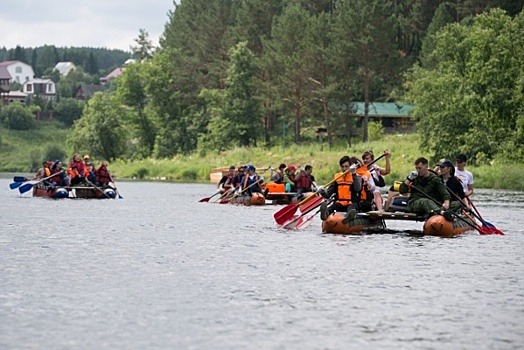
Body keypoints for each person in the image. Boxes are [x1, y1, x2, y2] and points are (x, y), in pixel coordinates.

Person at [319, 155, 362, 224]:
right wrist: (322, 192)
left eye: (346, 167)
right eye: (342, 167)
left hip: (351, 203)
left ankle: (349, 218)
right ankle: (325, 214)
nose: (344, 169)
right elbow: (328, 194)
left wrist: (353, 174)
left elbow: (358, 189)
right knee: (331, 208)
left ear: (350, 166)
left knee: (351, 209)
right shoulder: (337, 177)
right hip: (339, 203)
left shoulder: (357, 177)